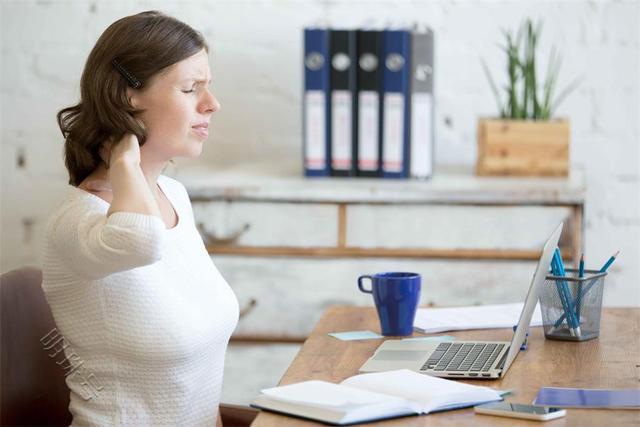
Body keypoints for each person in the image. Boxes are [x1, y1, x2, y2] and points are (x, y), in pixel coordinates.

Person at [41, 10, 238, 426]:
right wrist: (124, 162)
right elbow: (140, 240)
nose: (212, 104)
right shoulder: (77, 224)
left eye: (208, 87)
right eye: (190, 89)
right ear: (127, 96)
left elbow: (197, 391)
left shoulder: (175, 197)